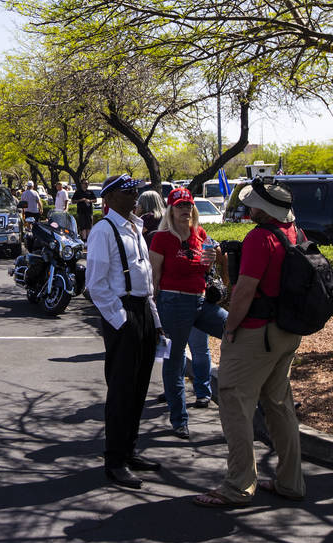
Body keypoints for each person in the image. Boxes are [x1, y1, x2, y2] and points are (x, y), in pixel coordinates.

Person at [195, 178, 304, 507]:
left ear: (266, 208)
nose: (249, 206)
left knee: (233, 403)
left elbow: (244, 291)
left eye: (254, 202)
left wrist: (231, 329)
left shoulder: (260, 237)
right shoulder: (294, 232)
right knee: (279, 404)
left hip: (258, 333)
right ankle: (290, 481)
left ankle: (238, 484)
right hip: (286, 331)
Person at [85, 174, 161, 489]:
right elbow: (96, 285)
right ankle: (114, 461)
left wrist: (153, 320)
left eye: (136, 192)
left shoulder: (135, 227)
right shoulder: (105, 230)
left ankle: (129, 451)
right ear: (111, 197)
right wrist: (121, 321)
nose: (135, 198)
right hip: (124, 313)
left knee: (139, 388)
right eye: (129, 193)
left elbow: (145, 282)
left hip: (142, 309)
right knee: (121, 391)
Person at [150, 187, 227, 439]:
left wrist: (214, 259)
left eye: (188, 205)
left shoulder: (200, 234)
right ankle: (179, 419)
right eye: (180, 205)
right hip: (173, 302)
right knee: (175, 360)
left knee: (235, 331)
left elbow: (205, 268)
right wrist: (155, 314)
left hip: (201, 301)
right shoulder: (162, 238)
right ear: (170, 210)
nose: (185, 210)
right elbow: (154, 279)